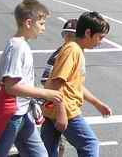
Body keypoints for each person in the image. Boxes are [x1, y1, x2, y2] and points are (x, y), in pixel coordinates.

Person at [0, 0, 62, 156]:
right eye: (41, 23)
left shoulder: (16, 44)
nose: (43, 28)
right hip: (12, 116)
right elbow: (10, 87)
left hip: (22, 113)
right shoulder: (18, 47)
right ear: (29, 23)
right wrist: (46, 93)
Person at [41, 12, 113, 157]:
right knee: (89, 144)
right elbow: (56, 82)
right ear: (88, 33)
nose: (101, 41)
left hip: (53, 109)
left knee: (48, 151)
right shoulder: (72, 50)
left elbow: (74, 84)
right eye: (100, 37)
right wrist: (62, 113)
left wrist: (97, 103)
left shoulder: (75, 49)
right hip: (66, 109)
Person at [39, 19, 78, 157]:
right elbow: (45, 80)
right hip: (55, 105)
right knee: (57, 143)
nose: (69, 38)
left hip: (55, 105)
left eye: (72, 35)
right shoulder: (61, 54)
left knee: (51, 143)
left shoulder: (72, 52)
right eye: (66, 34)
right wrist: (59, 101)